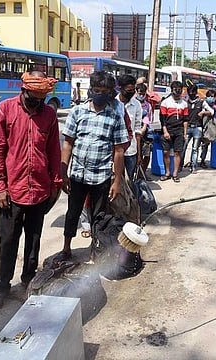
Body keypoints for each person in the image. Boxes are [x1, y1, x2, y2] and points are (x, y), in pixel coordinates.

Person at [0, 70, 62, 310]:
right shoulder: (4, 110)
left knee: (34, 240)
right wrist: (1, 187)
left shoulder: (49, 115)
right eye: (35, 96)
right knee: (8, 241)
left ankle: (28, 280)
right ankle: (2, 286)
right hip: (12, 192)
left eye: (43, 98)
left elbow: (53, 151)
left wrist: (55, 183)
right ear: (24, 90)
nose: (38, 102)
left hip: (40, 190)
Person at [53, 70, 129, 265]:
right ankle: (66, 248)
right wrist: (64, 173)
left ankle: (96, 250)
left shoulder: (115, 116)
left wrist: (117, 181)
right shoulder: (78, 112)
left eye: (104, 91)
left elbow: (119, 151)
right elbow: (68, 143)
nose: (100, 94)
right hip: (77, 175)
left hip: (102, 177)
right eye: (96, 90)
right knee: (73, 213)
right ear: (90, 90)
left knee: (99, 216)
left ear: (110, 92)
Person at [159, 81, 188, 183]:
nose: (178, 91)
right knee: (166, 152)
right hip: (168, 129)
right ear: (172, 90)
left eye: (180, 89)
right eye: (176, 89)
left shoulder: (184, 103)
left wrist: (185, 133)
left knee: (177, 152)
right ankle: (167, 173)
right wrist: (165, 131)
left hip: (179, 130)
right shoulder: (165, 102)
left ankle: (175, 174)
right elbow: (162, 119)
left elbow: (185, 120)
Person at [180, 84, 212, 173]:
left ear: (196, 92)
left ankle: (193, 167)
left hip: (197, 128)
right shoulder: (184, 102)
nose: (191, 94)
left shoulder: (202, 102)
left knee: (195, 148)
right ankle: (180, 166)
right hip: (187, 128)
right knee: (183, 147)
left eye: (193, 92)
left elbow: (211, 112)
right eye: (189, 92)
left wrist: (203, 112)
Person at [116, 74, 142, 182]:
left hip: (131, 151)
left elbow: (137, 130)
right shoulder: (113, 103)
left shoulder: (136, 105)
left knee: (128, 181)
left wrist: (139, 154)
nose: (131, 93)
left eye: (133, 90)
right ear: (120, 88)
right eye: (128, 90)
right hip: (115, 151)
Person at [135, 82, 154, 178]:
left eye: (143, 93)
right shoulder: (133, 103)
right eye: (139, 93)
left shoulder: (148, 105)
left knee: (146, 155)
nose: (141, 95)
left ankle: (142, 173)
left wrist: (144, 127)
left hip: (146, 133)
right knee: (136, 155)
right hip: (134, 132)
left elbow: (149, 118)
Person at [199, 89, 216, 169]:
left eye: (212, 96)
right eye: (209, 96)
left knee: (205, 144)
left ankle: (202, 160)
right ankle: (193, 161)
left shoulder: (215, 104)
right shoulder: (203, 103)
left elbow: (213, 112)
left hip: (209, 127)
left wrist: (204, 113)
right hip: (200, 125)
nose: (210, 98)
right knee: (196, 145)